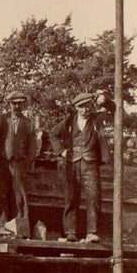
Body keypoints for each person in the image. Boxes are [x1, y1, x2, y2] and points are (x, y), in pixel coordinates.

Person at [49, 91, 114, 243]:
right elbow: (53, 133)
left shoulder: (97, 119)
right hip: (72, 164)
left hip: (90, 163)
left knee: (93, 196)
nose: (86, 110)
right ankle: (70, 232)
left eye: (88, 106)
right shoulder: (70, 120)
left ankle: (92, 232)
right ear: (77, 108)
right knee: (71, 197)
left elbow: (115, 112)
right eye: (82, 107)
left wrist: (105, 101)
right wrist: (62, 151)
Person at [0, 91, 39, 237]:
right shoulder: (0, 120)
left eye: (19, 103)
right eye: (14, 103)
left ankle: (20, 225)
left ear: (23, 104)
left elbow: (32, 147)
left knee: (20, 196)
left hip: (18, 163)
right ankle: (1, 224)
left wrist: (26, 163)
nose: (17, 106)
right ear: (9, 104)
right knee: (0, 193)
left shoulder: (28, 123)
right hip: (2, 162)